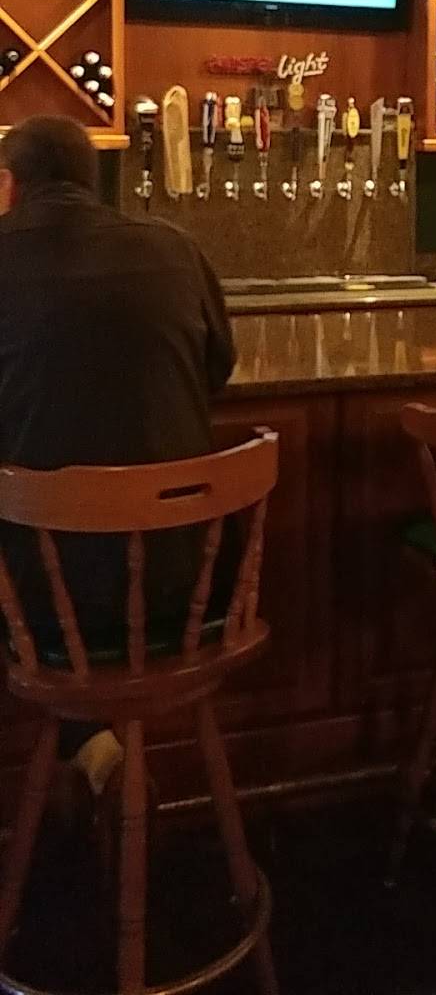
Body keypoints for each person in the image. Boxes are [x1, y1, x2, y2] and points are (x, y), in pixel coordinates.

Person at [0, 116, 235, 799]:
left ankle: (84, 747)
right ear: (96, 181)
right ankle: (93, 746)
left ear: (9, 185)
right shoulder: (175, 248)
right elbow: (217, 369)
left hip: (40, 605)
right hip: (185, 585)